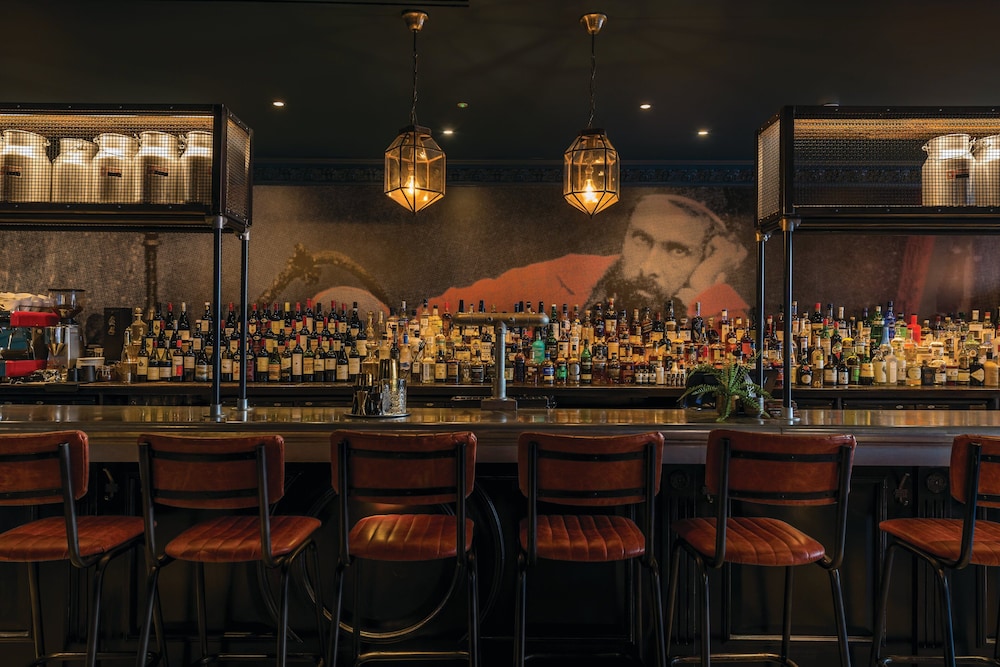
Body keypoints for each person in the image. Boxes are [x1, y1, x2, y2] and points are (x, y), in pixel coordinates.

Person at [429, 192, 749, 318]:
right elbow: (435, 309)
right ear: (625, 236)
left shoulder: (713, 296)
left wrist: (707, 284)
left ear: (705, 256)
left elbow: (737, 370)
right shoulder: (566, 275)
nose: (648, 267)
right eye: (641, 240)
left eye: (677, 250)